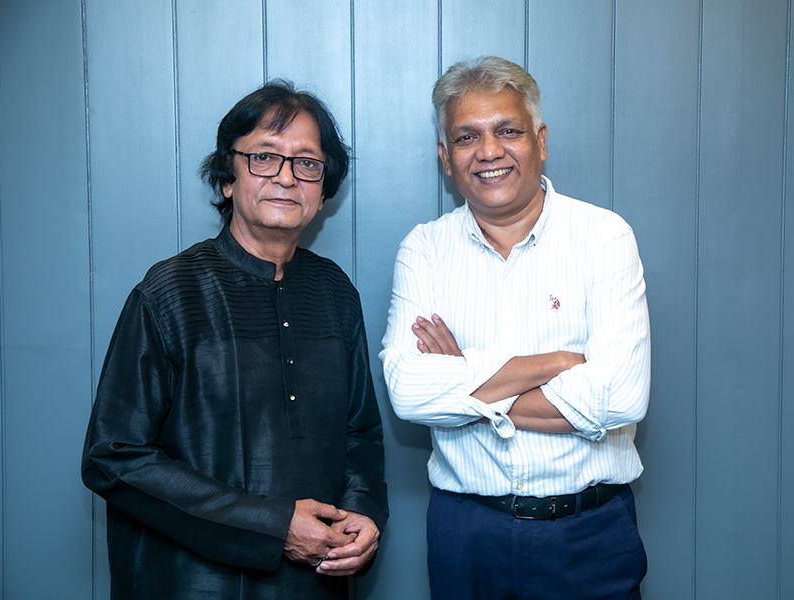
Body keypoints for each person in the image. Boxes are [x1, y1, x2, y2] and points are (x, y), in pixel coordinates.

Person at [82, 80, 388, 600]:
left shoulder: (335, 292)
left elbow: (360, 434)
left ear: (322, 191)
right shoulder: (169, 292)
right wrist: (272, 525)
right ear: (228, 178)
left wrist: (361, 513)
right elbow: (113, 456)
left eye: (307, 163)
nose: (286, 177)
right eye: (264, 157)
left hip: (315, 582)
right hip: (187, 582)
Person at [380, 56, 650, 599]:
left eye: (508, 130)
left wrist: (461, 379)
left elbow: (621, 396)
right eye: (466, 137)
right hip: (465, 534)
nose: (488, 151)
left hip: (588, 533)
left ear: (540, 140)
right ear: (445, 157)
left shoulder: (604, 237)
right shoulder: (424, 250)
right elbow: (408, 392)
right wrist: (554, 365)